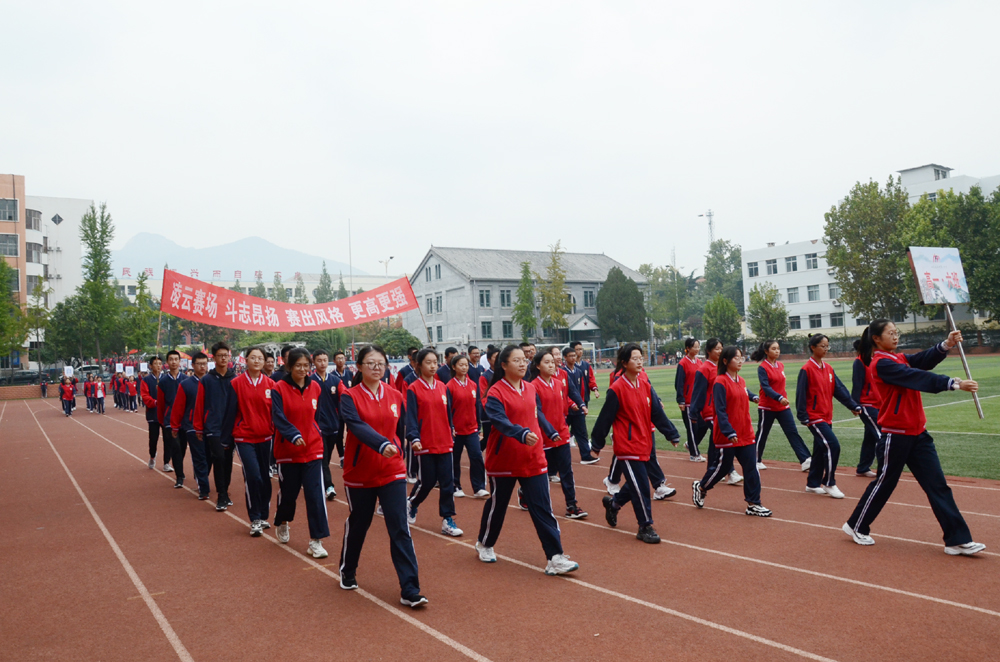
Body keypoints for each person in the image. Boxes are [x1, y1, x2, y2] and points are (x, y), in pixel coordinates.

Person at [844, 321, 985, 555]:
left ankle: (956, 539)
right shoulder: (881, 363)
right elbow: (915, 376)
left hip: (918, 433)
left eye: (896, 333)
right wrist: (953, 383)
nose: (895, 337)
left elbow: (921, 360)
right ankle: (856, 525)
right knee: (885, 483)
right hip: (895, 434)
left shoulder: (898, 358)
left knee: (937, 485)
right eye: (890, 333)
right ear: (876, 339)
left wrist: (946, 344)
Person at [476, 345, 579, 575]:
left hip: (533, 458)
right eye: (517, 360)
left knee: (543, 508)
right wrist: (521, 433)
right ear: (504, 365)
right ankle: (485, 543)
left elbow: (537, 415)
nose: (523, 364)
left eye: (524, 360)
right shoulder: (495, 392)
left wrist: (548, 432)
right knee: (498, 505)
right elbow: (500, 421)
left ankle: (555, 557)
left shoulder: (531, 388)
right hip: (504, 459)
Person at [339, 345, 427, 608]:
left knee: (400, 527)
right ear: (359, 367)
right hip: (361, 471)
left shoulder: (395, 394)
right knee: (360, 523)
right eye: (370, 363)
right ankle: (348, 569)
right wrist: (381, 444)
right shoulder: (349, 396)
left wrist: (403, 443)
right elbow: (356, 426)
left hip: (392, 470)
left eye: (381, 363)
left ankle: (410, 589)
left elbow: (402, 427)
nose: (376, 368)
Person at [592, 344, 681, 543]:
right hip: (627, 446)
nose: (640, 361)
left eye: (641, 357)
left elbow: (656, 413)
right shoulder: (617, 389)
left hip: (644, 443)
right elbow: (605, 419)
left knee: (636, 483)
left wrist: (671, 433)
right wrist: (597, 444)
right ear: (624, 363)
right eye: (635, 358)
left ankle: (614, 504)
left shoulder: (645, 385)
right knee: (641, 485)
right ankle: (645, 526)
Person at [692, 347, 772, 517]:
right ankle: (702, 486)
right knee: (721, 469)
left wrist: (752, 396)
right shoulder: (720, 382)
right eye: (736, 358)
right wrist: (729, 431)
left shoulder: (740, 380)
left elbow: (743, 392)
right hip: (727, 435)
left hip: (745, 433)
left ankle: (753, 503)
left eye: (741, 357)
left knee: (751, 468)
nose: (740, 361)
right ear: (725, 361)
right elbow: (720, 410)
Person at [270, 348, 330, 557]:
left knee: (315, 495)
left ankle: (316, 540)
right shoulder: (279, 388)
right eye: (298, 365)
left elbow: (317, 416)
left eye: (306, 365)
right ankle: (282, 520)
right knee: (289, 494)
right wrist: (293, 435)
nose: (303, 369)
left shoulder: (315, 387)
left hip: (313, 449)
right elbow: (278, 417)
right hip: (288, 451)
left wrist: (316, 433)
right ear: (289, 366)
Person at [405, 348, 463, 537]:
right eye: (428, 362)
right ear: (418, 365)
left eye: (435, 362)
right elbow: (411, 417)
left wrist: (451, 427)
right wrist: (414, 437)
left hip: (445, 441)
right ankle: (412, 503)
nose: (432, 366)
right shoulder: (413, 388)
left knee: (447, 482)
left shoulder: (442, 387)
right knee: (427, 481)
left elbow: (448, 413)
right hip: (425, 442)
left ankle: (447, 518)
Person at [796, 334, 862, 499]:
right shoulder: (806, 369)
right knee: (833, 446)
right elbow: (800, 394)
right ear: (813, 347)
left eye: (827, 346)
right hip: (814, 417)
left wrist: (852, 405)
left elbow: (839, 389)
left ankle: (812, 483)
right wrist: (803, 416)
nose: (826, 349)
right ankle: (829, 482)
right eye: (822, 346)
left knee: (820, 450)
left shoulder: (828, 368)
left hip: (826, 416)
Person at [532, 350, 587, 519]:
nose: (551, 365)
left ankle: (572, 505)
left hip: (561, 432)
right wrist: (549, 431)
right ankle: (526, 494)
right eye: (546, 362)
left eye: (552, 362)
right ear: (538, 366)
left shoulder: (558, 383)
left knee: (566, 471)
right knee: (540, 473)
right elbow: (538, 413)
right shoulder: (533, 386)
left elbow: (569, 397)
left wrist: (579, 404)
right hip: (544, 435)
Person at [232, 347, 276, 536]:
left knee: (265, 477)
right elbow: (230, 411)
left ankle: (264, 515)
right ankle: (255, 518)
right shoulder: (236, 383)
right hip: (244, 437)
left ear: (264, 361)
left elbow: (276, 412)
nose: (257, 361)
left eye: (260, 358)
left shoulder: (271, 385)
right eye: (253, 357)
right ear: (246, 360)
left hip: (266, 436)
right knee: (253, 476)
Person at [749, 340, 811, 471]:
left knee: (792, 432)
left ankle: (805, 459)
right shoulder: (762, 368)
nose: (777, 351)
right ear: (766, 351)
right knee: (762, 434)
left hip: (782, 407)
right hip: (767, 407)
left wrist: (782, 398)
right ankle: (754, 460)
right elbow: (765, 387)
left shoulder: (781, 365)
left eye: (778, 348)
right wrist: (779, 397)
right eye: (773, 349)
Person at [193, 342, 238, 512]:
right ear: (214, 357)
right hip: (213, 426)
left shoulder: (235, 379)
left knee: (227, 460)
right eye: (220, 355)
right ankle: (221, 494)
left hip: (231, 427)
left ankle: (225, 490)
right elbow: (199, 404)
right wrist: (199, 427)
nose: (223, 358)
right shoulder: (207, 380)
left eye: (226, 355)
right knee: (218, 458)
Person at [691, 339, 742, 484]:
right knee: (725, 437)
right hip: (710, 411)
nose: (720, 351)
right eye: (717, 349)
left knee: (715, 441)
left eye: (721, 348)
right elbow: (698, 392)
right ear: (709, 351)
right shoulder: (704, 369)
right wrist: (694, 412)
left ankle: (712, 470)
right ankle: (730, 471)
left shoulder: (722, 368)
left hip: (723, 410)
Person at [170, 352, 212, 500]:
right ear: (193, 365)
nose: (202, 367)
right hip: (192, 426)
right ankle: (204, 489)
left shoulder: (212, 382)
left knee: (210, 457)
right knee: (199, 457)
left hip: (210, 426)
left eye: (205, 363)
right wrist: (175, 426)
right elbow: (179, 406)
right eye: (199, 364)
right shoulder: (186, 385)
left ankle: (201, 476)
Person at [448, 353, 489, 499]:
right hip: (456, 430)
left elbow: (477, 405)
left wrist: (478, 425)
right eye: (461, 365)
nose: (464, 368)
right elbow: (447, 409)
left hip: (471, 428)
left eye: (466, 365)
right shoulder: (449, 386)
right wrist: (451, 426)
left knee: (476, 456)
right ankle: (455, 485)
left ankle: (479, 487)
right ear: (454, 367)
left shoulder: (473, 385)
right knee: (455, 458)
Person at [311, 349, 344, 501]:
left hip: (333, 425)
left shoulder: (335, 381)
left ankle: (317, 479)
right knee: (323, 458)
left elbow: (344, 398)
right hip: (317, 427)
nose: (322, 363)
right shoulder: (310, 381)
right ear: (314, 362)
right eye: (319, 360)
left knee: (327, 456)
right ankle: (329, 486)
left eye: (325, 360)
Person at [561, 347, 600, 464]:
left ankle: (586, 455)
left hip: (578, 408)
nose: (573, 358)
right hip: (566, 408)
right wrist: (571, 403)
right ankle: (556, 459)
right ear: (565, 357)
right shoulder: (562, 372)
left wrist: (581, 404)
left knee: (582, 432)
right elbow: (564, 391)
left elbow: (581, 390)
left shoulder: (578, 372)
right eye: (570, 356)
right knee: (561, 433)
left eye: (574, 355)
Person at [851, 338, 881, 477]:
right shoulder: (859, 362)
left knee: (870, 438)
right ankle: (885, 469)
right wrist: (854, 404)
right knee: (882, 436)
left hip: (878, 403)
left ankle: (863, 467)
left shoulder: (875, 360)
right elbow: (857, 384)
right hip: (866, 404)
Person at [158, 350, 187, 488]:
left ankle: (179, 467)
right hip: (170, 421)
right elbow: (161, 404)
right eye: (171, 359)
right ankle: (179, 476)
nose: (174, 362)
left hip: (185, 421)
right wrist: (163, 421)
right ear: (167, 362)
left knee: (182, 448)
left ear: (180, 361)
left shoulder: (186, 380)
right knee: (175, 448)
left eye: (176, 359)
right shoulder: (163, 382)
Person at [675, 338, 705, 461]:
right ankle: (694, 454)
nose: (697, 349)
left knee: (703, 425)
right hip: (688, 402)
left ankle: (690, 444)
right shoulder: (683, 363)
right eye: (695, 347)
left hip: (699, 401)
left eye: (698, 347)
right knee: (692, 428)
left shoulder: (700, 362)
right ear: (688, 348)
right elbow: (679, 383)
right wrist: (681, 400)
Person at [141, 357, 169, 472]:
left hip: (165, 414)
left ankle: (166, 462)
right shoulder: (146, 380)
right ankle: (152, 456)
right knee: (153, 439)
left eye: (160, 363)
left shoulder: (166, 379)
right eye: (155, 364)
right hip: (153, 414)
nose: (158, 366)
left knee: (167, 439)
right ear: (151, 366)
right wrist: (155, 402)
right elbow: (145, 396)